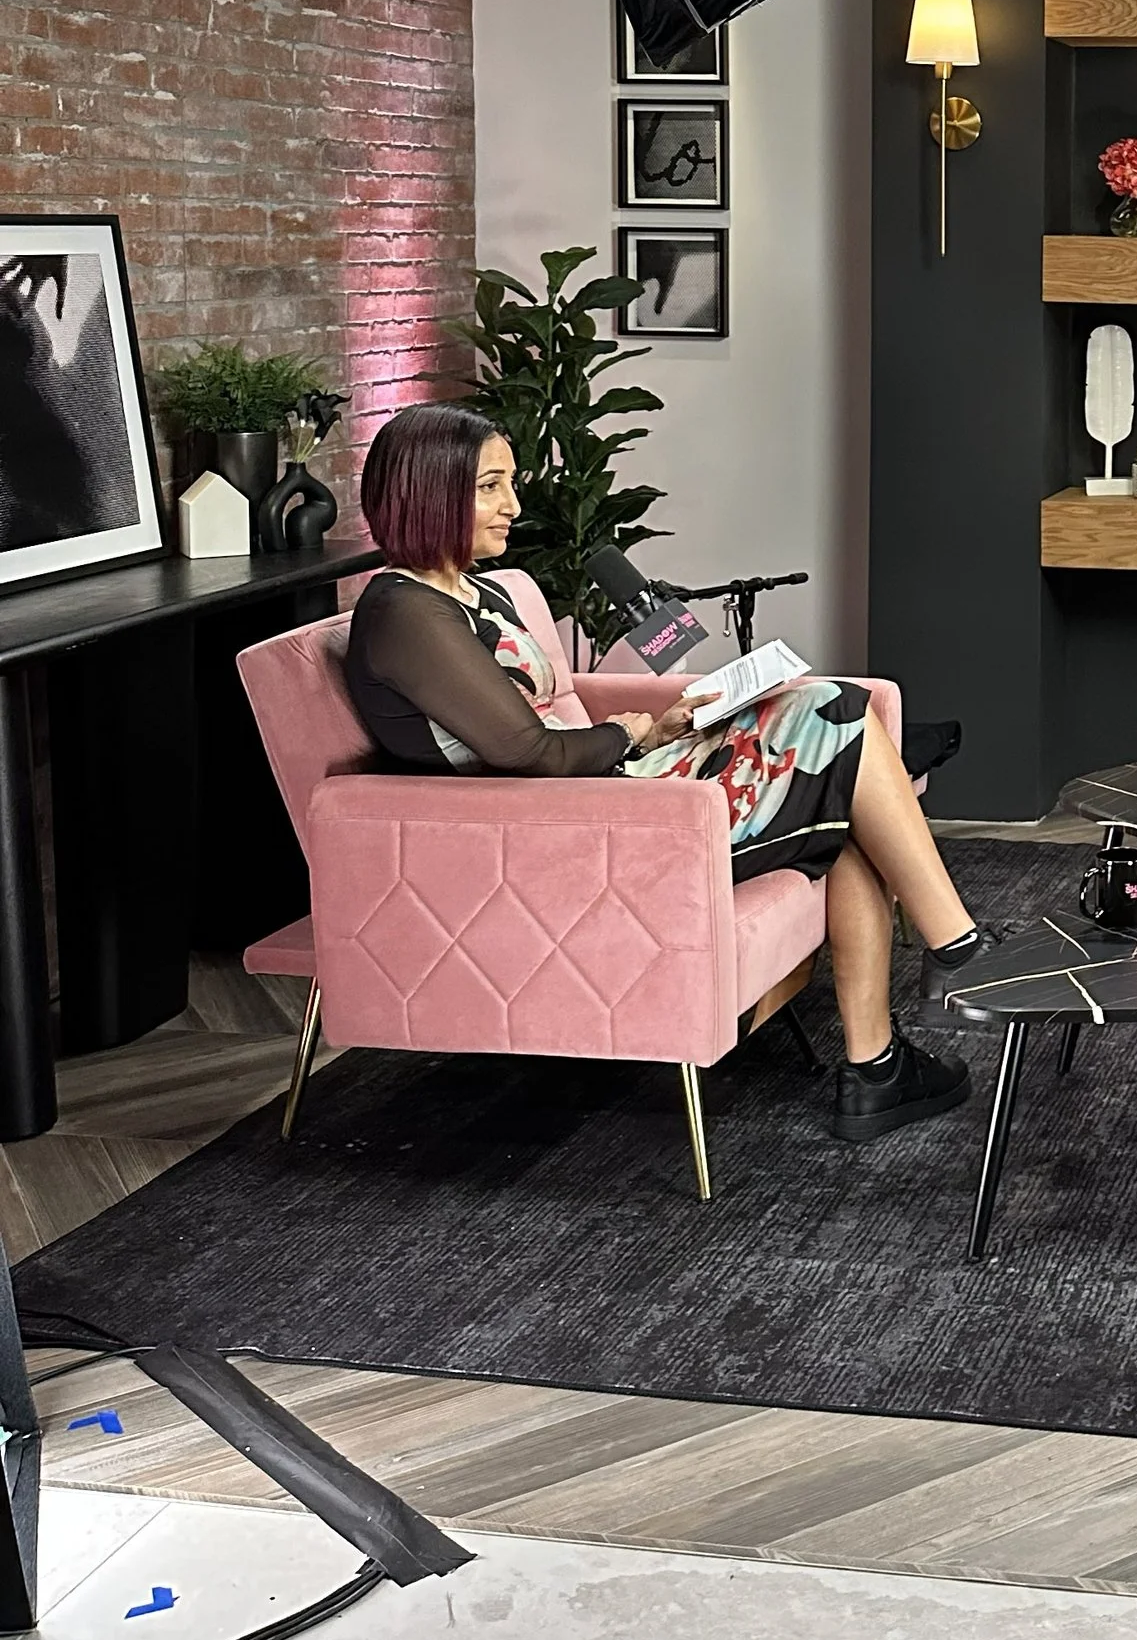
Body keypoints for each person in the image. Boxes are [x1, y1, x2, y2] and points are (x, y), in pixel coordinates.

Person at [344, 404, 985, 1139]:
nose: (514, 506)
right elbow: (529, 751)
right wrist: (631, 732)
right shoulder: (405, 614)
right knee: (838, 713)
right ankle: (954, 957)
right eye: (492, 487)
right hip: (574, 834)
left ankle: (881, 1065)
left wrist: (667, 725)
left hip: (610, 791)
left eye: (510, 484)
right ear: (429, 491)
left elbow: (559, 718)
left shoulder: (478, 588)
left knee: (831, 726)